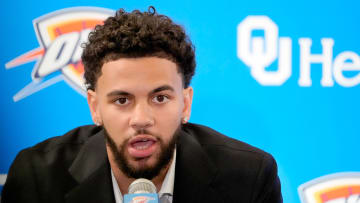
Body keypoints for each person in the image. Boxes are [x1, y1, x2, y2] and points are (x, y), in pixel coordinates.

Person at [1, 6, 282, 203]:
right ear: (95, 107)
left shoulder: (249, 177)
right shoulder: (38, 177)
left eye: (160, 98)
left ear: (185, 104)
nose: (141, 118)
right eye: (122, 100)